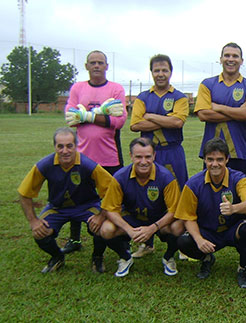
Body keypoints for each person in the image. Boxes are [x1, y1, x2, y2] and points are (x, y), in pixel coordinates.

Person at [17, 127, 113, 273]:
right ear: (54, 146)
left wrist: (100, 216)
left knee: (101, 228)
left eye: (69, 146)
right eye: (60, 146)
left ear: (76, 145)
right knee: (40, 232)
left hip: (86, 206)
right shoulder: (45, 165)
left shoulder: (88, 165)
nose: (65, 151)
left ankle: (97, 257)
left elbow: (112, 191)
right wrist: (33, 221)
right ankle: (57, 257)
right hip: (58, 207)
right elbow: (24, 193)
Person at [62, 50, 127, 255]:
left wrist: (86, 116)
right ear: (86, 66)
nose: (97, 66)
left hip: (110, 156)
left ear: (107, 66)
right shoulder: (78, 88)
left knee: (113, 198)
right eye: (93, 62)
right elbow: (71, 118)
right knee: (76, 196)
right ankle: (74, 239)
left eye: (100, 62)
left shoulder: (115, 89)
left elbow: (118, 121)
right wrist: (100, 114)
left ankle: (123, 237)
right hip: (81, 157)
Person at [130, 54, 190, 258]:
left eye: (164, 70)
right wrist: (167, 119)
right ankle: (147, 243)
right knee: (147, 194)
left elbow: (178, 123)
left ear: (170, 72)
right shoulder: (143, 97)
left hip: (173, 151)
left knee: (180, 194)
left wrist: (150, 116)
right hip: (149, 154)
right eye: (157, 70)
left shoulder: (179, 97)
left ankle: (183, 241)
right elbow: (135, 124)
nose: (161, 74)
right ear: (152, 72)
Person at [175, 138, 246, 288]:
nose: (215, 164)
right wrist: (199, 240)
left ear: (227, 159)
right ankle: (206, 258)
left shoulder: (239, 178)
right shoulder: (193, 184)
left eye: (219, 159)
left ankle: (242, 268)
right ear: (204, 160)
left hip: (232, 229)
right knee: (184, 241)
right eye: (210, 159)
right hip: (208, 232)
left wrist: (233, 209)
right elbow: (188, 217)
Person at [99, 138, 183, 277]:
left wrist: (153, 228)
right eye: (138, 157)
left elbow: (174, 211)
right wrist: (129, 230)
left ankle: (168, 257)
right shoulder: (120, 177)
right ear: (131, 156)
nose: (143, 162)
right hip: (132, 218)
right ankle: (125, 257)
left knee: (179, 226)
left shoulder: (167, 178)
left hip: (158, 219)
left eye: (148, 157)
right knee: (106, 229)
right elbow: (111, 210)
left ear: (154, 156)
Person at [195, 42, 246, 180]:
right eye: (227, 55)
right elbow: (203, 114)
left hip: (240, 152)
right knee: (210, 195)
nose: (231, 59)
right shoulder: (207, 84)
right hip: (212, 155)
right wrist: (238, 112)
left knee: (242, 195)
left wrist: (218, 107)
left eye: (235, 56)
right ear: (220, 59)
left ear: (241, 61)